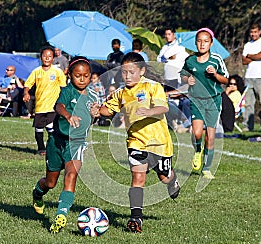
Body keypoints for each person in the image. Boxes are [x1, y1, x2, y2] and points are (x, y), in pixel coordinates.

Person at [98, 52, 180, 233]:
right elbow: (107, 110)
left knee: (164, 177)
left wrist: (149, 112)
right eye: (124, 72)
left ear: (142, 71)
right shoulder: (121, 93)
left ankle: (173, 181)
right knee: (138, 178)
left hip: (159, 143)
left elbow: (163, 107)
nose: (127, 76)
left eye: (131, 72)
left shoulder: (153, 86)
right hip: (136, 142)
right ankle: (136, 219)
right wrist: (98, 110)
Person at [32, 56, 100, 233]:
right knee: (51, 182)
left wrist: (95, 114)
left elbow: (91, 118)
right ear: (69, 75)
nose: (82, 79)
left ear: (90, 76)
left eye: (86, 75)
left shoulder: (93, 96)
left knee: (71, 175)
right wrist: (68, 116)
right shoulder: (67, 91)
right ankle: (38, 193)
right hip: (57, 141)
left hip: (77, 144)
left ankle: (60, 216)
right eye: (78, 75)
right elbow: (59, 106)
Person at [181, 28, 229, 179]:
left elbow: (226, 80)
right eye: (199, 41)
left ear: (211, 43)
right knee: (196, 133)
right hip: (196, 100)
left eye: (205, 41)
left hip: (213, 100)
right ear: (196, 43)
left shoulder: (216, 59)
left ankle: (206, 168)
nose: (202, 44)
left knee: (210, 136)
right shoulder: (190, 60)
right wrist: (187, 80)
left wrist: (215, 74)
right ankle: (197, 151)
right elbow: (183, 76)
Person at [23, 46, 67, 156]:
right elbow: (28, 84)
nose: (47, 58)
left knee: (51, 127)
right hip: (40, 105)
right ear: (41, 57)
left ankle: (55, 147)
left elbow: (63, 87)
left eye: (49, 56)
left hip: (53, 106)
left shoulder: (57, 72)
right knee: (39, 128)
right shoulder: (36, 71)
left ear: (53, 58)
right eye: (44, 56)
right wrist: (26, 93)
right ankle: (41, 148)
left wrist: (64, 102)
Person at [242, 23, 261, 131]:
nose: (253, 34)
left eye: (255, 32)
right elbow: (244, 61)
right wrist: (254, 56)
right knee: (248, 103)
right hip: (249, 76)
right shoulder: (247, 45)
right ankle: (247, 126)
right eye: (251, 32)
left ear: (259, 32)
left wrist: (250, 55)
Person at [157, 27, 189, 91]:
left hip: (176, 76)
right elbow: (158, 59)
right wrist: (168, 58)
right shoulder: (165, 46)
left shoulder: (179, 45)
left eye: (169, 34)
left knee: (175, 97)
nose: (167, 36)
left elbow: (166, 55)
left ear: (174, 35)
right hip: (167, 76)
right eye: (166, 34)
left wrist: (165, 57)